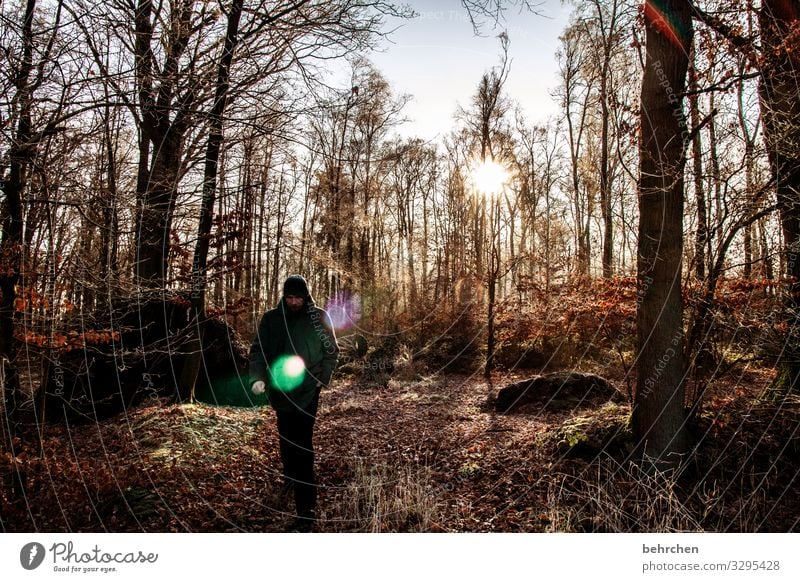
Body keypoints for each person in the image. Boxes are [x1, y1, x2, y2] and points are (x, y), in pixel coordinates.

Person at [249, 275, 339, 532]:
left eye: (298, 297)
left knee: (303, 445)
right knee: (286, 437)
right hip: (280, 390)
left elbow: (332, 351)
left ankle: (306, 508)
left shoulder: (318, 318)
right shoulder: (271, 320)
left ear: (306, 296)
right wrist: (257, 378)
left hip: (309, 390)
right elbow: (258, 350)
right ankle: (290, 477)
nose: (294, 302)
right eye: (289, 297)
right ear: (284, 296)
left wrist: (323, 379)